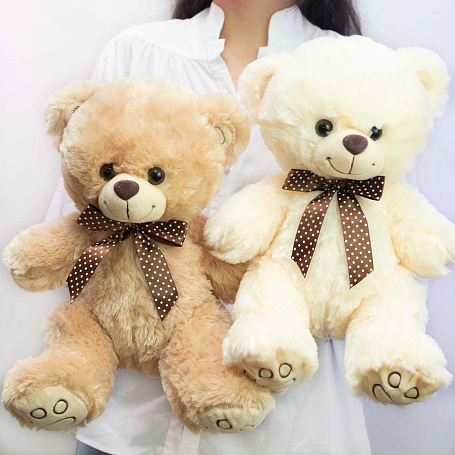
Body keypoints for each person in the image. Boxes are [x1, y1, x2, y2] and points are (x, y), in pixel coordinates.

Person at [45, 1, 372, 454]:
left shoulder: (355, 67)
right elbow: (75, 221)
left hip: (291, 411)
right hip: (132, 415)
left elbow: (378, 240)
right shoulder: (138, 52)